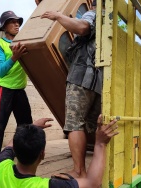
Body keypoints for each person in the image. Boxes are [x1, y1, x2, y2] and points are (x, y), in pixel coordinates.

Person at [41, 0, 101, 178]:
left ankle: (79, 171)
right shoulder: (110, 21)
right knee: (95, 125)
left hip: (82, 75)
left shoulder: (93, 13)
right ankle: (100, 168)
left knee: (75, 123)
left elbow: (83, 27)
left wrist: (58, 16)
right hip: (99, 81)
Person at [0, 116, 119, 188]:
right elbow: (92, 183)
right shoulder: (45, 186)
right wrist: (100, 144)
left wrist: (32, 127)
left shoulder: (1, 166)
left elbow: (10, 145)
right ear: (43, 154)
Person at [0, 10, 32, 160]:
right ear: (4, 27)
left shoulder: (24, 43)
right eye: (12, 22)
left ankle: (25, 158)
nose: (16, 24)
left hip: (20, 89)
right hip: (5, 89)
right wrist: (15, 57)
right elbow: (1, 71)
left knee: (26, 126)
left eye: (18, 21)